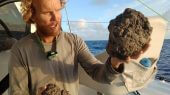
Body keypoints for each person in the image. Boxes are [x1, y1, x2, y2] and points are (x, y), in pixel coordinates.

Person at [9, 0, 128, 95]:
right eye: (46, 12)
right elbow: (17, 92)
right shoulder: (20, 49)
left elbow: (98, 73)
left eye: (57, 10)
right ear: (32, 15)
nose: (55, 18)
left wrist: (114, 63)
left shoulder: (74, 41)